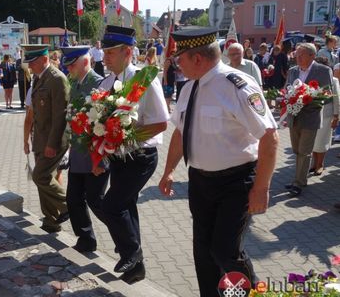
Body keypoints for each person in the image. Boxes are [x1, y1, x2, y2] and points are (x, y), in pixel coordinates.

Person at [158, 28, 278, 297]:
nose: (178, 65)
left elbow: (270, 137)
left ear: (198, 58)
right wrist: (168, 171)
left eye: (181, 60)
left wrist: (261, 188)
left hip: (235, 183)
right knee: (203, 251)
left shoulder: (237, 85)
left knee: (226, 251)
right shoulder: (189, 88)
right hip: (200, 182)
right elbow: (180, 132)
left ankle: (251, 294)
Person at [99, 25, 169, 285]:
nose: (104, 57)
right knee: (126, 206)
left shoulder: (144, 79)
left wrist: (127, 138)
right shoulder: (107, 82)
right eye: (104, 51)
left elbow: (161, 123)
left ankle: (130, 251)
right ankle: (136, 267)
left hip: (141, 156)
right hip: (119, 157)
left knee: (111, 205)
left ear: (128, 52)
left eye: (110, 52)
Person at [61, 46, 108, 253]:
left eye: (72, 64)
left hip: (94, 155)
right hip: (78, 154)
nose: (69, 68)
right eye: (67, 65)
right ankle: (86, 239)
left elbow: (104, 124)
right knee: (73, 199)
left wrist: (100, 160)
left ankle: (123, 233)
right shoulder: (73, 82)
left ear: (85, 62)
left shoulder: (98, 83)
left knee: (97, 202)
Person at [21, 44, 69, 234]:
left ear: (44, 59)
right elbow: (33, 113)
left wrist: (52, 144)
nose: (30, 66)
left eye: (32, 62)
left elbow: (61, 116)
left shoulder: (57, 79)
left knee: (39, 175)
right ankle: (51, 220)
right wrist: (29, 139)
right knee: (44, 181)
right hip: (40, 138)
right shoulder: (39, 79)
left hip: (53, 140)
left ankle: (69, 205)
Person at [284, 43, 334, 197]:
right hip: (294, 117)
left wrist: (309, 99)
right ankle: (298, 179)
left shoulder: (323, 70)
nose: (297, 58)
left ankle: (299, 182)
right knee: (297, 150)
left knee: (305, 151)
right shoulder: (293, 71)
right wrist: (286, 99)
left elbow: (327, 95)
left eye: (301, 55)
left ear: (312, 55)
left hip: (311, 117)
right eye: (296, 55)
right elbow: (286, 89)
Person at [310, 57, 339, 176]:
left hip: (326, 114)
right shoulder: (311, 78)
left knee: (322, 140)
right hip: (311, 114)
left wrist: (336, 116)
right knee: (313, 140)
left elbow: (336, 98)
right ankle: (313, 163)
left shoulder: (333, 80)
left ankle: (320, 164)